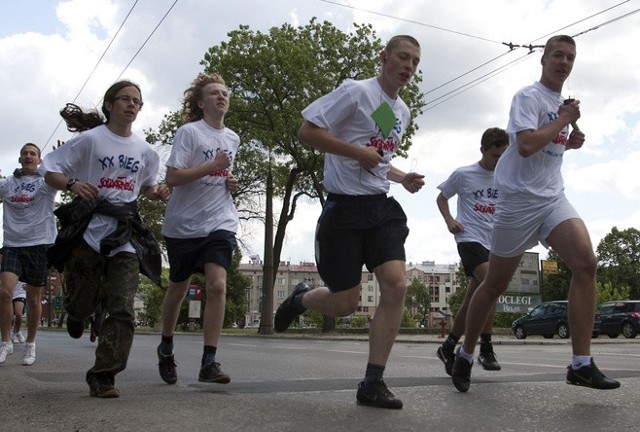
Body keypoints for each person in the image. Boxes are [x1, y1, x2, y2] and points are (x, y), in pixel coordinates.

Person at [451, 35, 620, 392]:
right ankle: (465, 353)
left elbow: (547, 145)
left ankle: (581, 364)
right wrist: (563, 122)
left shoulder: (562, 105)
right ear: (543, 60)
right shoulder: (528, 97)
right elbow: (526, 145)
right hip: (516, 203)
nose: (564, 62)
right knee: (493, 284)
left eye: (570, 57)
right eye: (558, 55)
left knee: (586, 262)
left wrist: (569, 141)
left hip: (552, 198)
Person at [274, 35, 425, 409]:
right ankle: (302, 299)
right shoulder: (356, 92)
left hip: (380, 210)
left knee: (396, 285)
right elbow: (308, 131)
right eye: (403, 58)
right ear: (384, 57)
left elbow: (378, 156)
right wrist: (357, 151)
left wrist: (402, 177)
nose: (409, 66)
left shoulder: (400, 111)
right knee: (344, 304)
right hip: (343, 211)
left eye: (415, 62)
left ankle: (373, 382)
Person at [41, 80, 170, 398]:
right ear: (109, 105)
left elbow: (148, 187)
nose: (131, 105)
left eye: (137, 101)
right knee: (83, 300)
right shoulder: (90, 140)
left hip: (124, 233)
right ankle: (76, 312)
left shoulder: (145, 152)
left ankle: (104, 375)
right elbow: (50, 170)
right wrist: (72, 184)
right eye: (124, 99)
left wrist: (158, 192)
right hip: (89, 230)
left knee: (122, 307)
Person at [156, 73, 239, 386]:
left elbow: (223, 174)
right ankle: (166, 345)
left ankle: (209, 361)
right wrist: (212, 166)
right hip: (184, 225)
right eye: (214, 93)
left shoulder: (232, 138)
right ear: (201, 102)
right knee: (178, 288)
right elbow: (174, 177)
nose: (221, 96)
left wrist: (231, 183)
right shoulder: (189, 133)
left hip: (220, 220)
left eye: (225, 93)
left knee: (217, 285)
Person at [435, 127, 508, 375]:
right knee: (492, 283)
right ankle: (485, 348)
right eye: (495, 156)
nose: (499, 161)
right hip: (468, 237)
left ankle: (448, 346)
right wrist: (449, 220)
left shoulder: (506, 176)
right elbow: (441, 198)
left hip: (494, 242)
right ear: (483, 150)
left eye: (504, 156)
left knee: (475, 297)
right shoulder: (464, 174)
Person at [0, 143, 58, 366]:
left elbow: (65, 174)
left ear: (39, 160)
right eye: (24, 153)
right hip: (13, 244)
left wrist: (53, 162)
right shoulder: (8, 184)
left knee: (34, 299)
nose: (28, 156)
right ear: (19, 159)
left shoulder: (46, 182)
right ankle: (5, 342)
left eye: (32, 153)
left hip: (38, 244)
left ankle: (30, 344)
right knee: (5, 292)